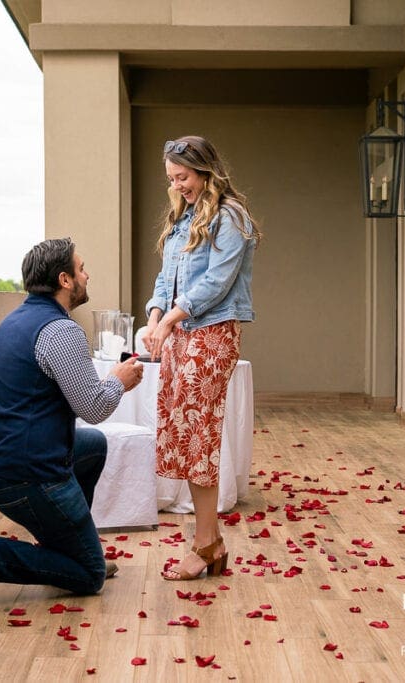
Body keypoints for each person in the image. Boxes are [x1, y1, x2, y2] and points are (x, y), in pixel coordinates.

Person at [0, 237, 144, 609]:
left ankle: (67, 545)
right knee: (91, 576)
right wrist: (119, 380)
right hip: (28, 475)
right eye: (82, 268)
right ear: (65, 279)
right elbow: (94, 407)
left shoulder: (15, 321)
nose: (88, 274)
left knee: (93, 446)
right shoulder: (62, 332)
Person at [142, 135, 261, 581]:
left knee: (198, 437)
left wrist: (170, 319)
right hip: (179, 334)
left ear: (205, 170)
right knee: (181, 433)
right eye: (172, 179)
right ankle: (208, 542)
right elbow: (164, 278)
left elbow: (216, 282)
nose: (177, 186)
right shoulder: (183, 219)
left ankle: (206, 543)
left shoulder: (230, 217)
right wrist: (156, 316)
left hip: (212, 335)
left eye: (184, 177)